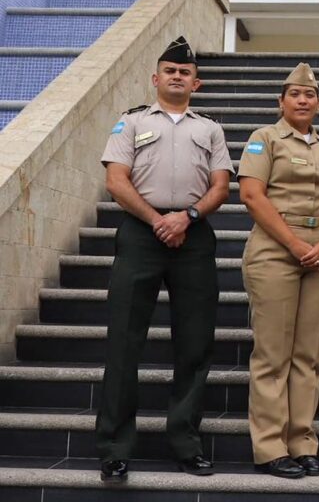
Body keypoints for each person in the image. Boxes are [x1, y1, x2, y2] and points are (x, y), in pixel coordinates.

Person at [95, 36, 233, 483]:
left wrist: (186, 217)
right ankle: (115, 448)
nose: (177, 76)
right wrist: (158, 220)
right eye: (169, 71)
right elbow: (117, 181)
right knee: (123, 343)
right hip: (140, 234)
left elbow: (220, 186)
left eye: (185, 72)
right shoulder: (131, 122)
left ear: (197, 81)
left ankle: (186, 444)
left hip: (193, 237)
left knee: (194, 344)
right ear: (156, 78)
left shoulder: (209, 127)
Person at [239, 62, 319, 479]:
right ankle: (269, 447)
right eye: (295, 95)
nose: (303, 101)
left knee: (308, 354)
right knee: (272, 353)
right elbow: (251, 195)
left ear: (318, 103)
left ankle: (302, 441)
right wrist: (295, 244)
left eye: (310, 95)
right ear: (281, 101)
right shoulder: (263, 139)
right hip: (275, 251)